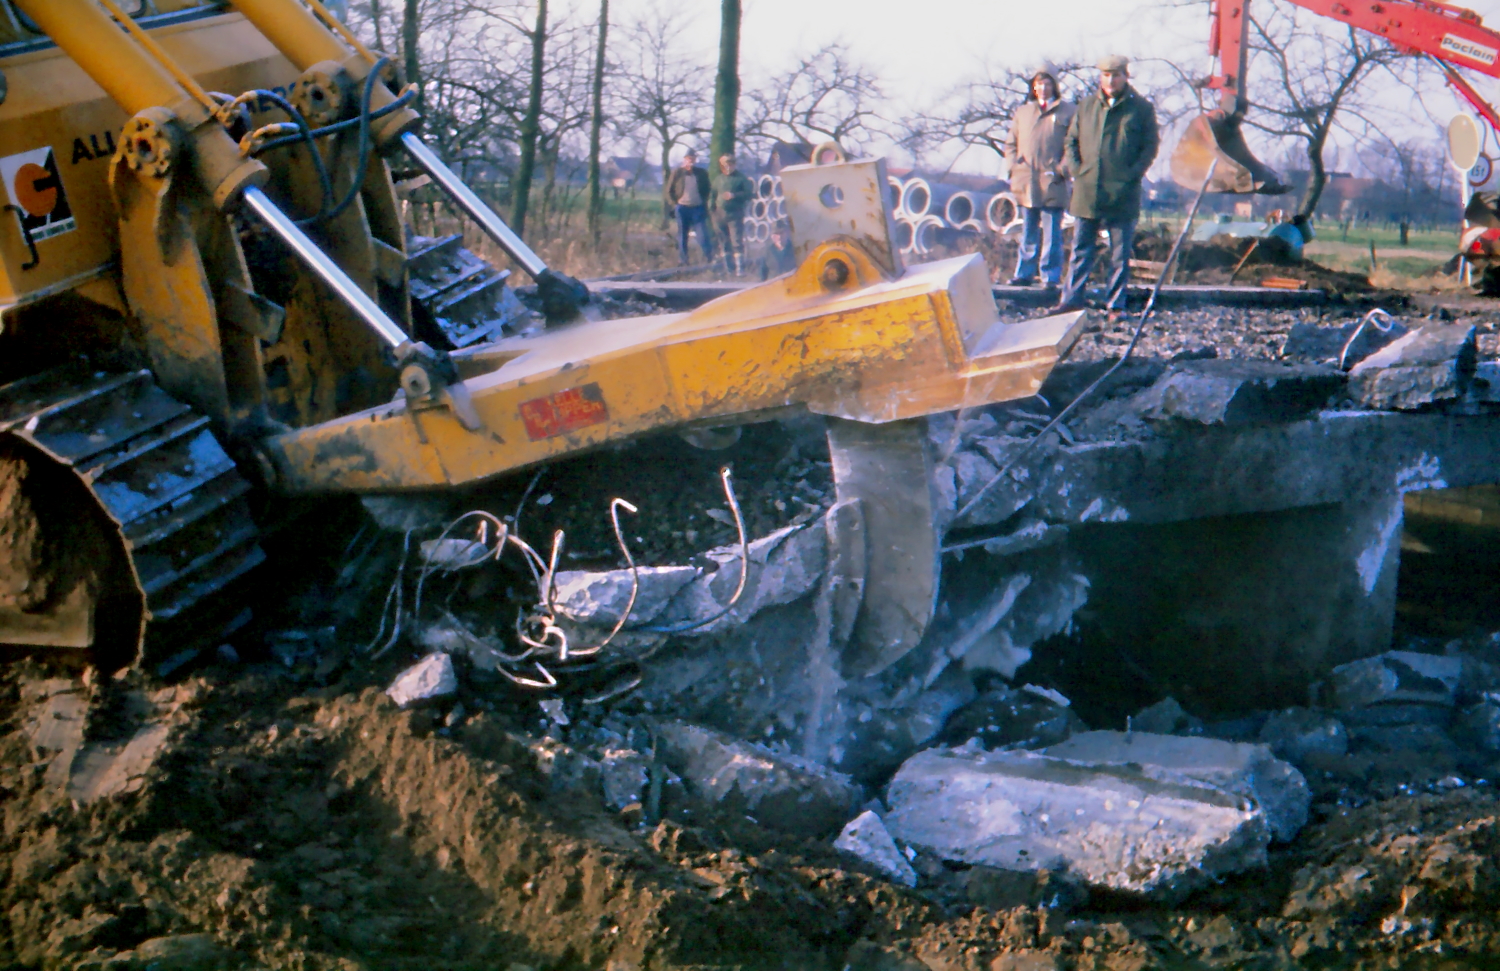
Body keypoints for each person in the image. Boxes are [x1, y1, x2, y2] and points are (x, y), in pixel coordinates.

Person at [1056, 55, 1159, 317]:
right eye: (1105, 75)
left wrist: (1133, 174)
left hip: (1123, 192)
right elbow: (1071, 141)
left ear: (1125, 76)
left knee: (1118, 254)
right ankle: (1072, 300)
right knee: (1080, 249)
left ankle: (1115, 304)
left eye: (1115, 75)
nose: (1110, 80)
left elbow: (1150, 147)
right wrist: (1078, 170)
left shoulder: (1141, 109)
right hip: (1088, 190)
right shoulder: (1087, 106)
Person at [1003, 64, 1076, 288]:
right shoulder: (1023, 112)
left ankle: (1050, 277)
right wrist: (1013, 167)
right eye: (1038, 84)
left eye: (1047, 83)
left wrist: (1062, 169)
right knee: (1028, 231)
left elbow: (1074, 146)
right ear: (1033, 87)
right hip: (1026, 181)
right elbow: (1010, 143)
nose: (1043, 88)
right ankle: (1024, 274)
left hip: (1053, 181)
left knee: (1053, 232)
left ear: (1055, 85)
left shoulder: (1068, 112)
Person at [665, 150, 714, 265]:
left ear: (695, 160)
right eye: (688, 159)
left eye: (692, 159)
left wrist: (704, 202)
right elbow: (669, 190)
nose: (690, 161)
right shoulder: (677, 172)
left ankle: (708, 258)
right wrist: (674, 203)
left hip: (697, 207)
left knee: (702, 234)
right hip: (682, 207)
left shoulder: (701, 173)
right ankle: (683, 260)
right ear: (684, 159)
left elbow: (707, 189)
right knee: (682, 234)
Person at [714, 154, 755, 275]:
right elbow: (713, 194)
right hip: (720, 214)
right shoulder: (719, 179)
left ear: (734, 165)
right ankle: (728, 268)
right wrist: (712, 210)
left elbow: (749, 194)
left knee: (736, 241)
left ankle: (740, 268)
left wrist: (734, 195)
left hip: (735, 214)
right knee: (724, 241)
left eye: (731, 165)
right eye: (726, 165)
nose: (728, 167)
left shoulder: (741, 178)